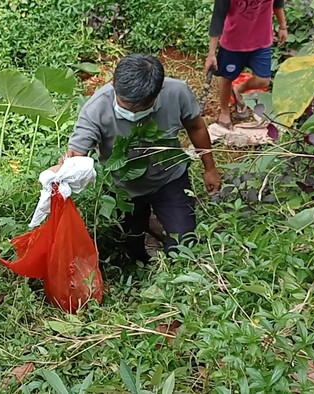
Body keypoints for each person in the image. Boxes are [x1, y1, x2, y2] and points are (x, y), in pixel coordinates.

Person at [60, 54, 221, 262]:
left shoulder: (177, 92)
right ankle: (143, 242)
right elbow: (76, 153)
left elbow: (196, 126)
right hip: (122, 187)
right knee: (129, 246)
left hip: (169, 178)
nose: (132, 112)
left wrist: (210, 168)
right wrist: (60, 175)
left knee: (184, 244)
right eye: (125, 105)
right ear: (114, 84)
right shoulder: (96, 109)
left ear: (158, 92)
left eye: (140, 108)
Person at [204, 0, 288, 129]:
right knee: (227, 78)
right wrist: (211, 54)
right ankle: (225, 111)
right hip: (233, 44)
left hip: (261, 42)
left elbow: (277, 4)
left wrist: (283, 26)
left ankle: (239, 89)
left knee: (263, 81)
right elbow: (218, 18)